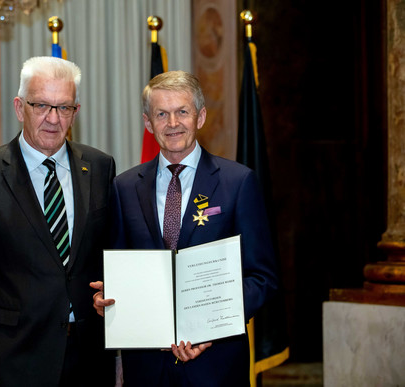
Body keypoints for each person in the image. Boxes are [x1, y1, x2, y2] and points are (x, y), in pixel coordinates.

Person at [91, 70, 279, 386]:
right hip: (147, 369)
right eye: (161, 114)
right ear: (148, 123)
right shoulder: (123, 188)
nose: (173, 123)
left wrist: (210, 327)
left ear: (200, 117)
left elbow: (263, 279)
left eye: (182, 112)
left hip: (216, 365)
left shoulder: (238, 183)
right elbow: (120, 271)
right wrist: (108, 300)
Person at [0, 56, 116, 387]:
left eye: (64, 108)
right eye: (41, 105)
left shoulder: (100, 167)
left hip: (89, 359)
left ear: (75, 112)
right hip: (13, 360)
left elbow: (109, 254)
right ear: (19, 107)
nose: (53, 119)